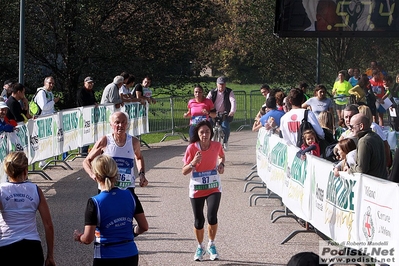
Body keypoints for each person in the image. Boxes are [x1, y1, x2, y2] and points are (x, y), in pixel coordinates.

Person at [83, 111, 149, 237]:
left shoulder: (133, 142)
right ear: (111, 124)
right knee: (104, 223)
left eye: (123, 122)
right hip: (106, 188)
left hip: (127, 188)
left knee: (126, 222)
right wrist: (93, 175)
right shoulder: (105, 141)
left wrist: (141, 174)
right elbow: (87, 161)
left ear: (127, 124)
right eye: (117, 122)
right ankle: (103, 245)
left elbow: (139, 157)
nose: (120, 125)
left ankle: (127, 239)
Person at [74, 154, 148, 266]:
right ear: (116, 172)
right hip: (130, 254)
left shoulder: (94, 202)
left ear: (96, 176)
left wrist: (79, 237)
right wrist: (132, 231)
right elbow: (144, 227)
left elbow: (88, 238)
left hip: (105, 256)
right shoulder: (130, 196)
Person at [0, 151, 55, 266]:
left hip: (7, 246)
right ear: (26, 170)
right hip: (32, 247)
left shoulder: (2, 190)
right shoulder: (35, 190)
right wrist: (50, 255)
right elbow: (48, 224)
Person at [182, 120, 225, 261]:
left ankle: (211, 244)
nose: (205, 135)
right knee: (199, 220)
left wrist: (221, 164)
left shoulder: (216, 145)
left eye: (207, 132)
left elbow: (221, 156)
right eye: (201, 132)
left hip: (213, 187)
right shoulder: (192, 148)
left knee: (212, 216)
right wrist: (193, 163)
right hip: (197, 188)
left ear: (211, 133)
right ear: (198, 134)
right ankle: (200, 246)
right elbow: (184, 171)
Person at [348, 114, 387, 179]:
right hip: (381, 181)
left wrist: (350, 169)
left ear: (361, 126)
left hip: (371, 184)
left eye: (351, 126)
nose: (350, 129)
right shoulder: (376, 137)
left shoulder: (364, 141)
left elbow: (361, 169)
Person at [206, 76, 236, 151]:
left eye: (223, 84)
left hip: (225, 113)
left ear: (225, 84)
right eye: (220, 84)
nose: (221, 86)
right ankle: (208, 141)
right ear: (217, 84)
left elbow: (233, 101)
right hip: (213, 113)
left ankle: (225, 141)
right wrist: (206, 111)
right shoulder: (212, 92)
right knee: (208, 124)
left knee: (226, 127)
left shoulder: (229, 92)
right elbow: (207, 101)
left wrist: (232, 111)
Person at [76, 76, 98, 154]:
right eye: (89, 83)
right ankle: (83, 151)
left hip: (90, 116)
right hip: (83, 116)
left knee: (89, 133)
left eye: (92, 83)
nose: (90, 84)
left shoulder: (92, 91)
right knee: (84, 133)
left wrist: (95, 103)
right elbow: (82, 104)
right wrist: (92, 104)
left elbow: (94, 100)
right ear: (84, 83)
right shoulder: (81, 92)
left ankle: (87, 150)